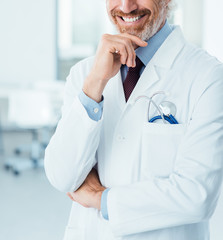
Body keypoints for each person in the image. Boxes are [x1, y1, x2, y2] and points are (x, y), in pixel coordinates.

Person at [44, 0, 223, 239]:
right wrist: (94, 84)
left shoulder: (208, 76)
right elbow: (61, 175)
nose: (126, 6)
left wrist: (99, 197)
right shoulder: (85, 74)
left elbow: (196, 195)